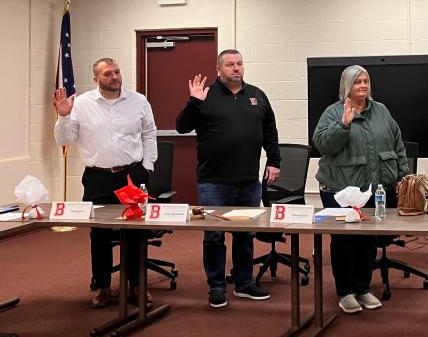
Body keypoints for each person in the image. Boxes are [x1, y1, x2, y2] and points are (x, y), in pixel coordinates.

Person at [175, 49, 281, 309]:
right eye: (230, 64)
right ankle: (217, 287)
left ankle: (244, 283)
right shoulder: (205, 95)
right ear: (218, 69)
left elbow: (270, 130)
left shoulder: (257, 95)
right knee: (214, 236)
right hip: (214, 180)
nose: (236, 68)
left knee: (245, 234)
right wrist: (194, 102)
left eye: (240, 64)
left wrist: (274, 161)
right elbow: (181, 126)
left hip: (248, 180)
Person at [53, 58, 157, 308]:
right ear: (96, 79)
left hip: (132, 175)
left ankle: (136, 285)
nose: (114, 77)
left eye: (117, 72)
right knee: (99, 234)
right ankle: (101, 286)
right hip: (97, 178)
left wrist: (148, 167)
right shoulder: (81, 104)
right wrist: (64, 117)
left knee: (134, 234)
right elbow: (64, 139)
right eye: (107, 73)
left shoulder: (138, 101)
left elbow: (149, 133)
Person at [313, 65, 408, 314]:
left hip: (374, 190)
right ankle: (346, 292)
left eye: (365, 81)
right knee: (345, 242)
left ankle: (363, 288)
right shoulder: (334, 112)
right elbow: (323, 144)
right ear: (347, 86)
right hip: (340, 191)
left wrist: (403, 176)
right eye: (357, 82)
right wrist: (343, 125)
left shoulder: (382, 111)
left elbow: (397, 143)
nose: (363, 86)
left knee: (367, 242)